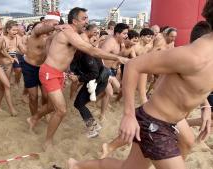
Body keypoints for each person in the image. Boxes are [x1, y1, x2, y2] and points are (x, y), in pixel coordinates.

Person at [68, 1, 213, 168]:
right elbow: (133, 65)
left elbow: (197, 84)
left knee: (182, 144)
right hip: (155, 123)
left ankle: (77, 165)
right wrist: (129, 115)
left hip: (173, 120)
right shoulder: (194, 56)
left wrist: (206, 107)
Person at [28, 7, 128, 150]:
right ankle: (47, 142)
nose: (86, 21)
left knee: (52, 106)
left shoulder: (73, 32)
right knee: (61, 110)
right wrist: (117, 57)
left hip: (59, 74)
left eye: (87, 18)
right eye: (84, 19)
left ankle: (33, 118)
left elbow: (85, 46)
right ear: (74, 21)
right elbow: (91, 50)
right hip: (49, 72)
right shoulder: (68, 32)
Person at [22, 12, 60, 117]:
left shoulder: (53, 34)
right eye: (54, 23)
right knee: (33, 97)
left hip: (44, 68)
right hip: (30, 67)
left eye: (57, 23)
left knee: (46, 96)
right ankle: (34, 117)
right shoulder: (37, 29)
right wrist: (59, 27)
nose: (56, 25)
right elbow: (41, 30)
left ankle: (43, 113)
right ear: (44, 22)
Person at [0, 20, 24, 112]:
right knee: (7, 85)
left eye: (16, 30)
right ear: (8, 30)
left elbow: (21, 49)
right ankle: (12, 109)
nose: (16, 32)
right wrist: (11, 58)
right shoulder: (2, 38)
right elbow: (2, 51)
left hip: (8, 66)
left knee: (2, 86)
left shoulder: (17, 38)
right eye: (13, 30)